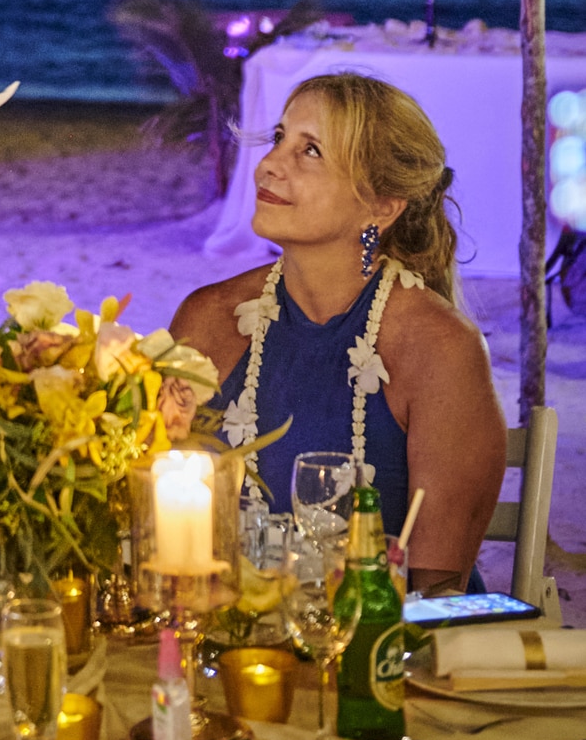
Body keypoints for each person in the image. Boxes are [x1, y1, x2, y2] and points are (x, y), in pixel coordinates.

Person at [170, 72, 506, 590]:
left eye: (311, 152)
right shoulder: (207, 319)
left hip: (385, 645)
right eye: (280, 138)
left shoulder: (439, 349)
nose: (269, 164)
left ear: (383, 206)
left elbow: (438, 594)